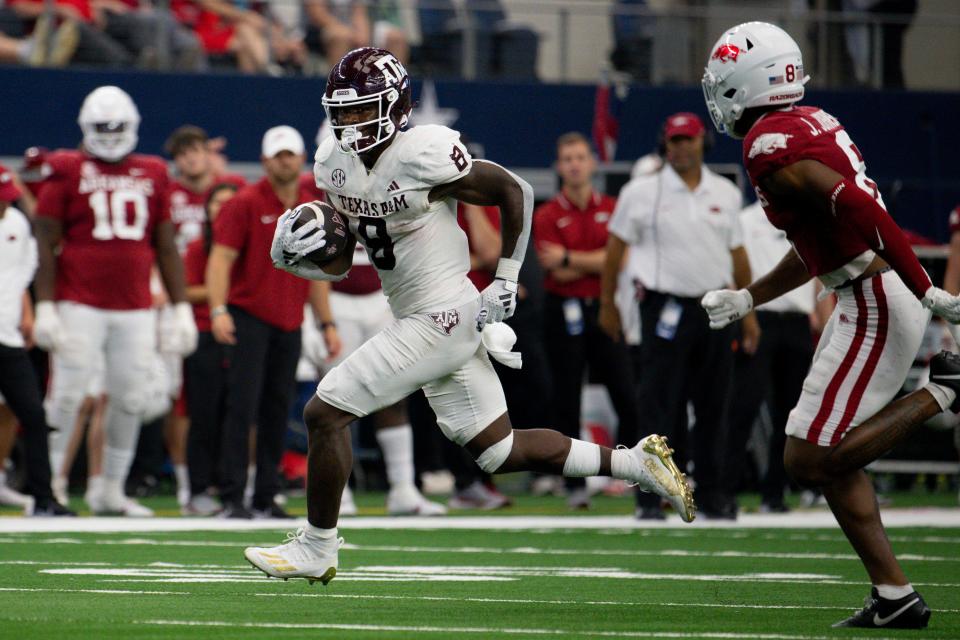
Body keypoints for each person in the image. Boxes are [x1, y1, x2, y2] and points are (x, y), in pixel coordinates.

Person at [243, 47, 695, 585]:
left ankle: (318, 546)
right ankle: (634, 465)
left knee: (325, 412)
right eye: (341, 112)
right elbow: (344, 260)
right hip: (419, 315)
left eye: (362, 109)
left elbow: (514, 190)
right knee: (498, 450)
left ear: (396, 105)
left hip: (441, 315)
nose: (349, 122)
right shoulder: (332, 163)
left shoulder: (423, 154)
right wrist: (297, 256)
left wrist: (506, 276)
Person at [699, 21, 960, 628]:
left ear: (745, 82)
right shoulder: (804, 123)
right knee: (827, 458)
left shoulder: (768, 144)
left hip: (874, 298)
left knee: (807, 459)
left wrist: (926, 287)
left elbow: (860, 207)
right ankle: (894, 596)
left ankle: (944, 388)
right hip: (865, 291)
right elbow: (818, 242)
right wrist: (749, 298)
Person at [32, 85, 198, 516]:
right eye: (102, 127)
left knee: (129, 398)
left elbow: (165, 245)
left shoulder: (153, 171)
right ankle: (48, 487)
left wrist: (180, 308)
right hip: (78, 302)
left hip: (136, 307)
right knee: (66, 396)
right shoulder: (66, 167)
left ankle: (109, 490)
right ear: (86, 128)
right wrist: (46, 304)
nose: (109, 134)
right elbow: (45, 239)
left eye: (116, 126)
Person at [599, 111, 756, 520]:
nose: (681, 147)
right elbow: (615, 250)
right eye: (674, 141)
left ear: (702, 141)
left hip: (716, 310)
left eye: (688, 140)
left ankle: (715, 494)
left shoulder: (725, 191)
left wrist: (750, 313)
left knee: (713, 405)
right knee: (657, 408)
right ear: (663, 145)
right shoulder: (642, 192)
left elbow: (738, 256)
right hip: (664, 308)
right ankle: (650, 497)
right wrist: (608, 303)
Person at [205, 125, 341, 519]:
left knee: (277, 409)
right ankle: (232, 496)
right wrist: (218, 310)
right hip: (250, 317)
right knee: (242, 407)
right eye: (279, 155)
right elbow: (221, 259)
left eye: (291, 154)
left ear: (301, 159)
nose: (286, 161)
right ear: (265, 161)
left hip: (288, 320)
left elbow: (316, 271)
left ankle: (266, 494)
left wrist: (327, 323)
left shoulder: (309, 206)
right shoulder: (245, 202)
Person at [534, 132, 639, 510]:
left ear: (593, 163)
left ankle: (628, 471)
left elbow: (620, 261)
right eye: (567, 159)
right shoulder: (547, 213)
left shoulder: (612, 207)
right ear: (559, 167)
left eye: (581, 157)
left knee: (626, 391)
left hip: (605, 307)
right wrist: (596, 260)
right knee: (566, 396)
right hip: (563, 310)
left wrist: (570, 258)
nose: (575, 165)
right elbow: (553, 267)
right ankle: (573, 482)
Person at [725, 201, 831, 513]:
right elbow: (734, 273)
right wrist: (744, 320)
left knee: (791, 414)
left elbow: (820, 273)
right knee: (743, 406)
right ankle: (724, 492)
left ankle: (775, 493)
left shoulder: (804, 219)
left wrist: (824, 322)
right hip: (760, 319)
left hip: (798, 322)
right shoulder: (745, 219)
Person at [0, 164, 74, 516]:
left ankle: (44, 498)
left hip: (9, 337)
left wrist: (27, 311)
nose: (4, 206)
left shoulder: (15, 223)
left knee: (33, 413)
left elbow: (18, 274)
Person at [181, 181, 238, 515]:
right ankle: (198, 488)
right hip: (205, 331)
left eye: (229, 203)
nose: (223, 209)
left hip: (243, 332)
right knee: (203, 415)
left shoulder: (248, 242)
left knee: (239, 416)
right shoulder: (196, 248)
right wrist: (222, 290)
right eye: (217, 203)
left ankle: (234, 485)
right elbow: (186, 291)